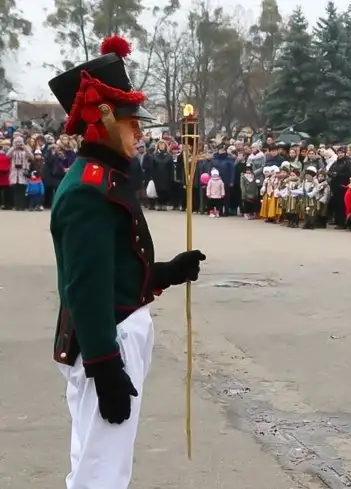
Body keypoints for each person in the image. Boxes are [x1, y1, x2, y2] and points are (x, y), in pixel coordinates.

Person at [47, 35, 207, 489]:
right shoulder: (88, 191)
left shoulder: (107, 180)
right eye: (131, 121)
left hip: (118, 327)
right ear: (102, 120)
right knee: (103, 469)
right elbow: (84, 287)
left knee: (98, 459)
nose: (139, 131)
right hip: (107, 339)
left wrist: (166, 274)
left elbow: (113, 269)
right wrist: (104, 365)